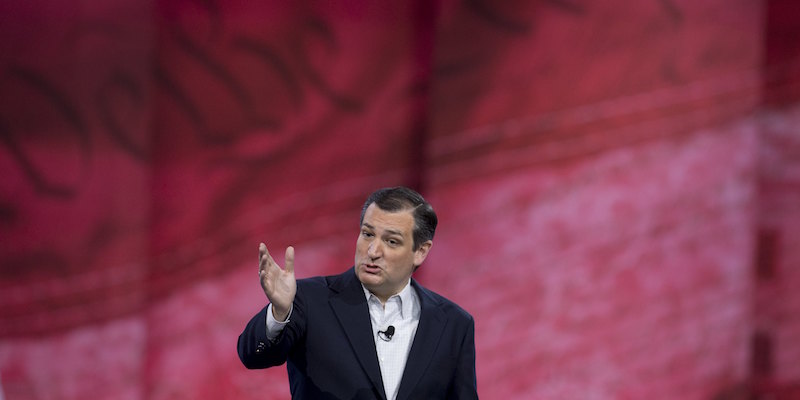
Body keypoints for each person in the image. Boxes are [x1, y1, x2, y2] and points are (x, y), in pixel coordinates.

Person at [238, 186, 478, 399]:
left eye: (391, 241)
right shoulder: (308, 300)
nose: (373, 251)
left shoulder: (454, 324)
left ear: (421, 252)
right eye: (368, 234)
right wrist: (279, 313)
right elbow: (253, 355)